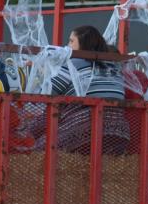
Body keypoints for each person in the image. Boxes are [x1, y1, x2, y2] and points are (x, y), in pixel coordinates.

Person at [30, 25, 130, 154]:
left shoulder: (73, 64)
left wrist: (45, 72)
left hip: (87, 129)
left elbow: (44, 95)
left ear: (83, 44)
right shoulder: (113, 66)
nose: (67, 46)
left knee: (38, 148)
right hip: (119, 132)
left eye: (71, 41)